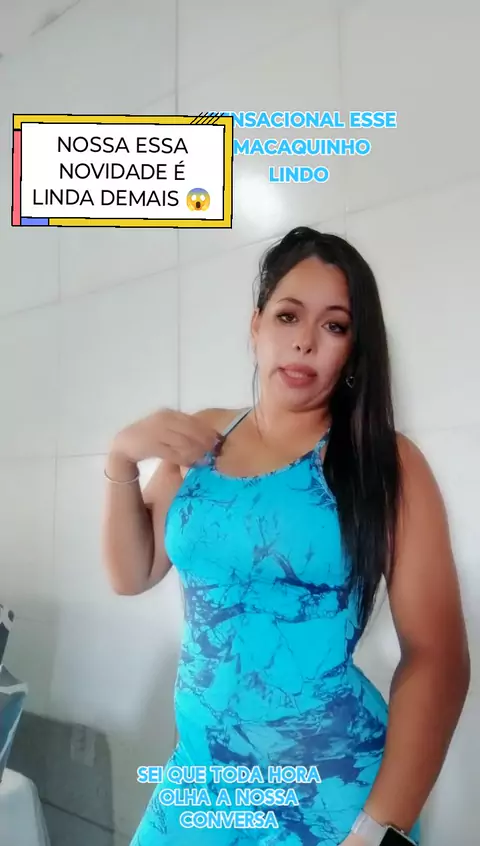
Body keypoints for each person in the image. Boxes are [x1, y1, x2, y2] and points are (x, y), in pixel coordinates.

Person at [102, 226, 470, 846]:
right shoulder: (202, 440)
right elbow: (131, 573)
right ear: (256, 327)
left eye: (334, 326)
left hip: (330, 795)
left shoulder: (385, 464)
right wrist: (120, 460)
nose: (304, 340)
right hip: (200, 779)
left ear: (353, 350)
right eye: (288, 315)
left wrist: (377, 831)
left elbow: (439, 658)